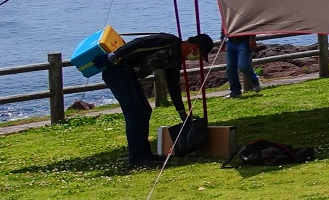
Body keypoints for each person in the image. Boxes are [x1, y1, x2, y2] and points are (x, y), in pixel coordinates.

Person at [101, 32, 213, 168]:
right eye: (200, 54)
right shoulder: (169, 40)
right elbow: (139, 42)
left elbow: (173, 86)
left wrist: (181, 111)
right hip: (117, 71)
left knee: (145, 111)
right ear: (195, 48)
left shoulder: (176, 60)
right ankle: (136, 159)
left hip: (129, 75)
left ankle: (146, 154)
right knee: (135, 114)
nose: (196, 58)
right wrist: (114, 55)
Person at [224, 33, 261, 98]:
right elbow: (224, 25)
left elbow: (251, 25)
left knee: (243, 66)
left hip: (244, 41)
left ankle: (254, 79)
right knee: (230, 67)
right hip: (230, 42)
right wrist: (222, 38)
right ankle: (235, 91)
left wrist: (252, 39)